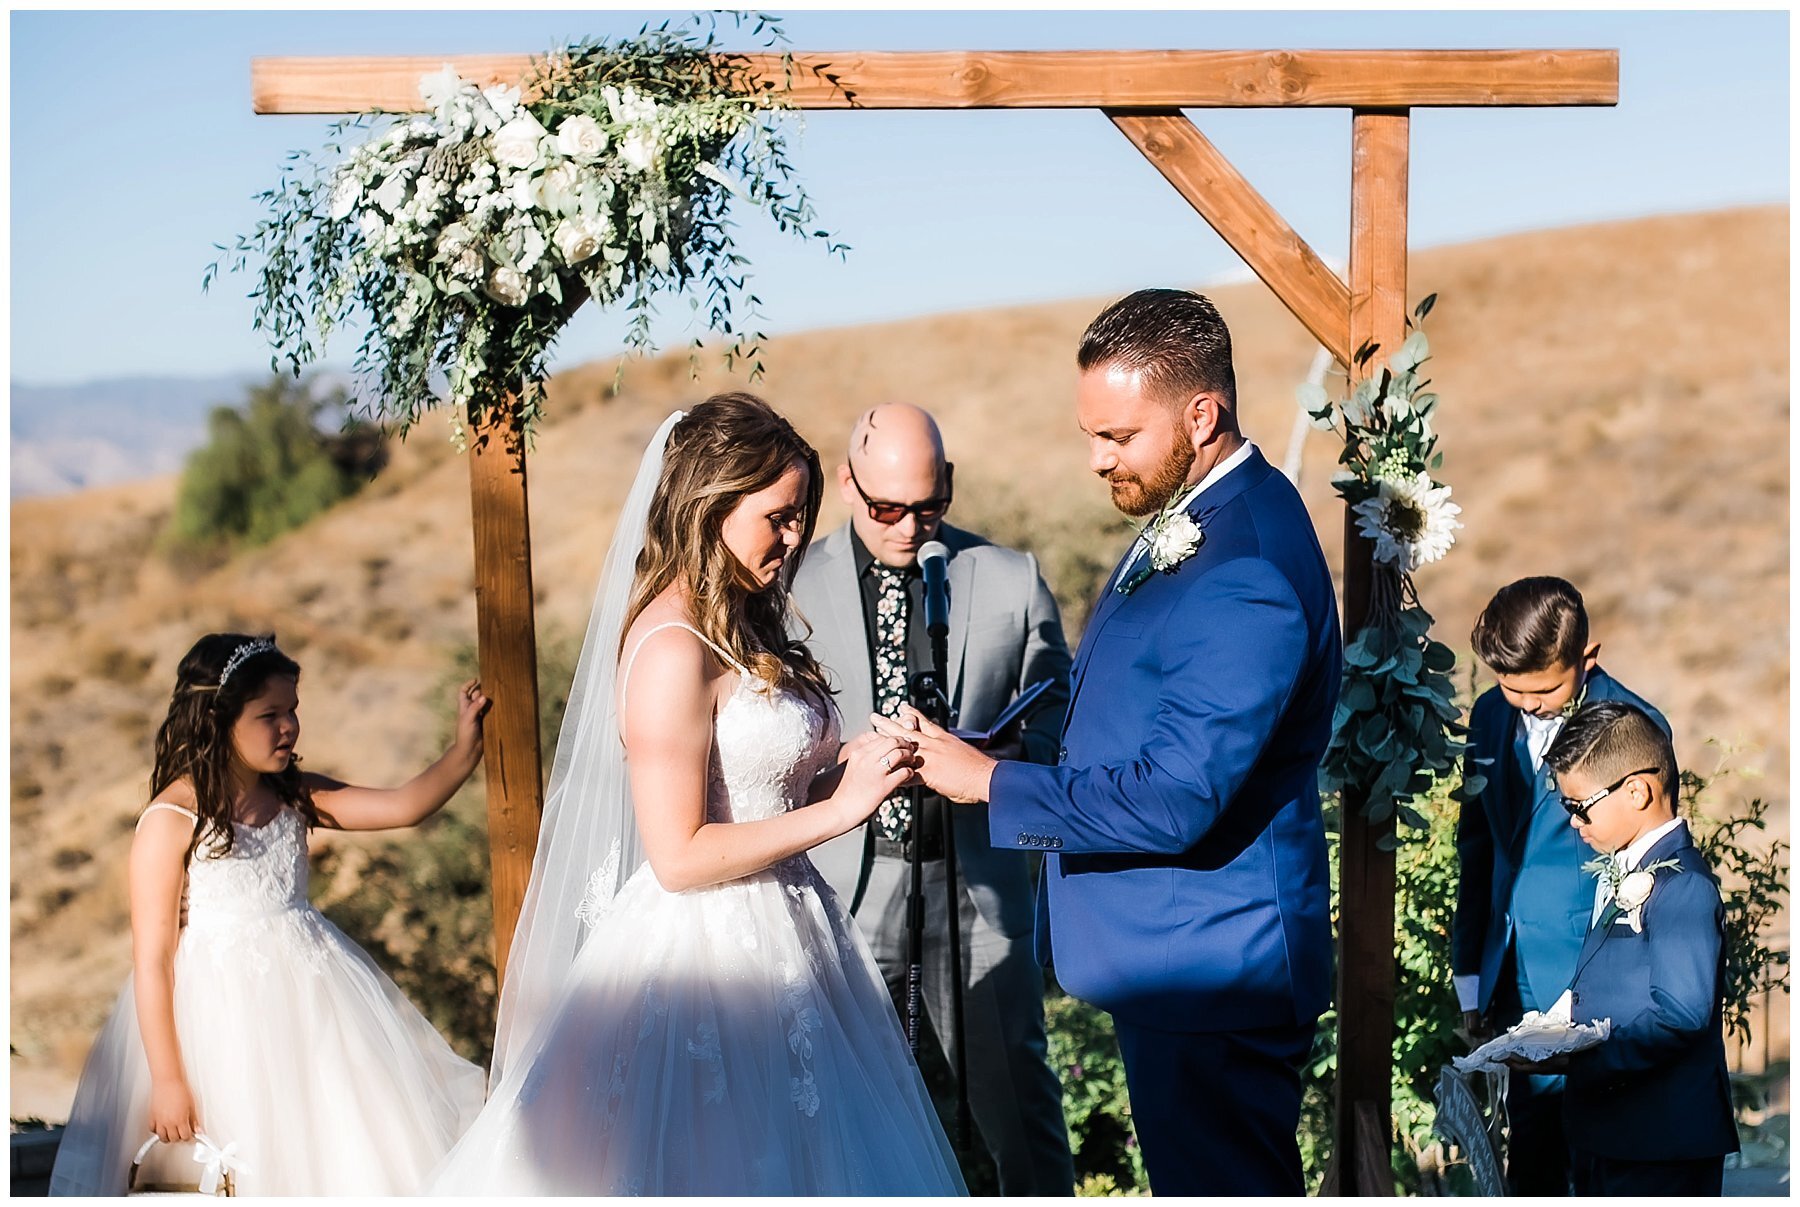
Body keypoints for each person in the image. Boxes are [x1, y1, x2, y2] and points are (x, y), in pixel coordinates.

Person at [425, 394, 965, 1196]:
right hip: (706, 965)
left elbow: (758, 786)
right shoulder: (670, 647)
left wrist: (858, 762)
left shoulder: (740, 619)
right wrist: (840, 808)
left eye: (800, 516)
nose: (794, 537)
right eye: (778, 516)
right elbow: (678, 854)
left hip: (793, 937)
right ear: (713, 505)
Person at [874, 288, 1339, 1195]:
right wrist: (1002, 750)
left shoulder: (1244, 565)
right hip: (1176, 958)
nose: (1096, 459)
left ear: (1202, 414)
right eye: (1092, 434)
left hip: (1211, 970)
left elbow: (1176, 797)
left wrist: (989, 786)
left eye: (1118, 437)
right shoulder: (1203, 510)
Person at [49, 634, 490, 1196]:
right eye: (269, 715)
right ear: (218, 719)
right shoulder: (172, 819)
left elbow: (403, 805)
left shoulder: (294, 796)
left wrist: (463, 748)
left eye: (293, 711)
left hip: (316, 1005)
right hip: (219, 1022)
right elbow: (153, 959)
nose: (289, 727)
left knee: (337, 1148)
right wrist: (167, 1080)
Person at [792, 402, 1076, 1194]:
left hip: (975, 877)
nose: (911, 526)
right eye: (887, 507)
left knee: (1019, 1105)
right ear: (847, 483)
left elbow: (1060, 716)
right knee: (834, 1111)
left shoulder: (1009, 578)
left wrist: (1002, 757)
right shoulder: (789, 586)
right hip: (843, 881)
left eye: (930, 505)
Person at [1451, 576, 1670, 1194]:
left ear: (1587, 658)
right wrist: (1471, 971)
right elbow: (1478, 847)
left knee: (1597, 1155)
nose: (1526, 704)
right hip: (1510, 968)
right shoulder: (1491, 715)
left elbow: (1647, 866)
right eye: (1511, 688)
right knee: (1533, 1153)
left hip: (1591, 974)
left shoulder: (1635, 728)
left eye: (1544, 690)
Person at [1514, 700, 1738, 1195]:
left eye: (1578, 806)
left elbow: (1680, 1015)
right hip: (1611, 1130)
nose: (1572, 822)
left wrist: (1579, 1056)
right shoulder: (1624, 870)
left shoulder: (1683, 887)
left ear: (1636, 790)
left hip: (1660, 1139)